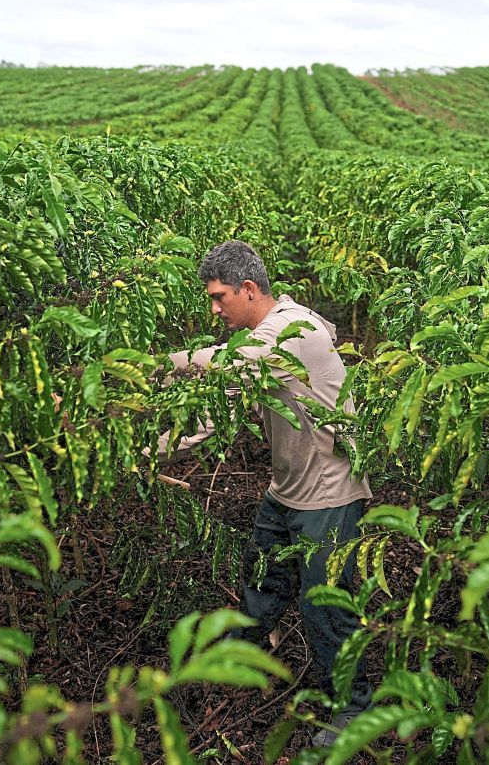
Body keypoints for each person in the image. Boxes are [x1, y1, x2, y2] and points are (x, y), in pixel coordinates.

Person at [153, 240, 372, 744]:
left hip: (329, 494)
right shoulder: (260, 340)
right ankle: (249, 646)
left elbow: (228, 367)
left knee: (326, 605)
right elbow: (218, 412)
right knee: (263, 570)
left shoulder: (293, 331)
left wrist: (162, 361)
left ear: (248, 289)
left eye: (219, 296)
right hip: (289, 486)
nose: (213, 308)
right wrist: (150, 453)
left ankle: (351, 710)